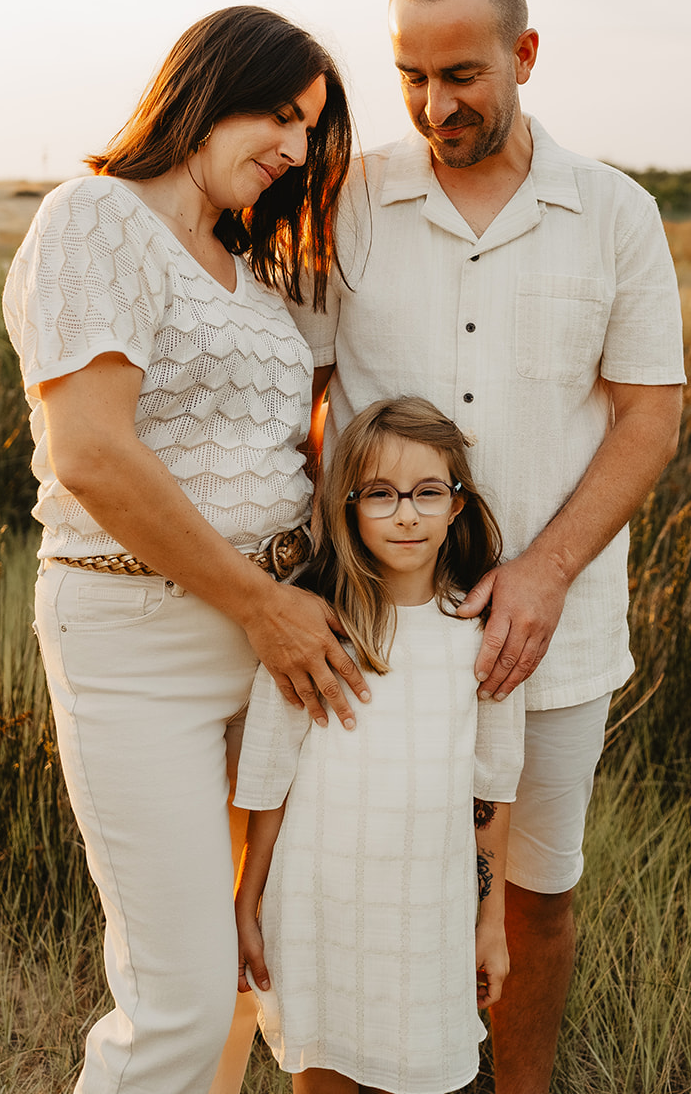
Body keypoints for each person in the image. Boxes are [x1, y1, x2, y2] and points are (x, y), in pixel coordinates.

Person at [296, 0, 686, 1094]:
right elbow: (297, 391)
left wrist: (544, 569)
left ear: (524, 53)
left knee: (535, 895)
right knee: (349, 889)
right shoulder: (346, 200)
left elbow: (648, 418)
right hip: (372, 638)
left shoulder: (614, 213)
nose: (433, 105)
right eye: (410, 76)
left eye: (461, 74)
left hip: (552, 638)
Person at [2, 4, 372, 1094]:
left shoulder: (248, 266)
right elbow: (93, 454)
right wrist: (261, 605)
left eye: (309, 129)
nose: (294, 148)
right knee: (180, 1000)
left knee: (251, 969)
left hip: (270, 649)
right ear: (206, 92)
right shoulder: (95, 218)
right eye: (279, 115)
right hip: (140, 639)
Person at [234, 396, 525, 1094]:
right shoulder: (314, 630)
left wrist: (490, 923)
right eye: (380, 494)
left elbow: (491, 792)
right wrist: (248, 899)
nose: (406, 514)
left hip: (429, 912)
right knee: (325, 1069)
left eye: (427, 493)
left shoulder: (480, 634)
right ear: (349, 506)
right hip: (319, 902)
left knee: (425, 1071)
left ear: (457, 505)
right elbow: (269, 777)